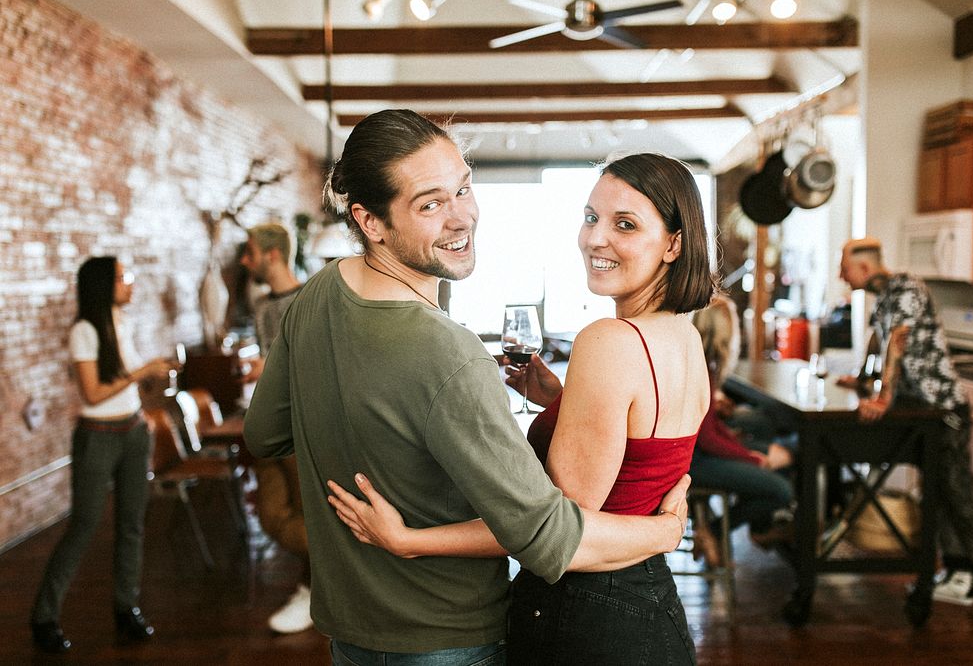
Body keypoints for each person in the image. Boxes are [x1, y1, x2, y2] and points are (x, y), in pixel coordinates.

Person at [243, 110, 696, 666]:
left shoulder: (316, 293)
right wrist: (665, 534)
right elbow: (547, 532)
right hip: (448, 634)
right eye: (430, 204)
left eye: (462, 189)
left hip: (349, 628)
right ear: (371, 221)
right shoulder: (451, 353)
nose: (462, 218)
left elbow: (264, 434)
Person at [836, 237, 973, 605]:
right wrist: (864, 377)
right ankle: (956, 569)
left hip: (944, 407)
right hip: (923, 410)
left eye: (844, 268)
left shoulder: (907, 287)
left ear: (864, 268)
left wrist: (883, 396)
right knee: (937, 491)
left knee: (958, 491)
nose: (841, 276)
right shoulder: (885, 296)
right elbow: (879, 336)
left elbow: (898, 338)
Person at [29, 257, 175, 653]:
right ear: (102, 284)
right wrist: (142, 371)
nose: (130, 283)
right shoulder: (84, 330)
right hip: (98, 436)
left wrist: (144, 385)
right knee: (85, 525)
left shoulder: (121, 322)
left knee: (132, 524)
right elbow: (92, 393)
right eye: (123, 277)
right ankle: (44, 616)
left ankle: (126, 609)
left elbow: (121, 381)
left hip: (133, 431)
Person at [239, 222, 311, 634]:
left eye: (250, 252)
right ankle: (336, 572)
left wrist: (269, 368)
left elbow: (314, 363)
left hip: (304, 427)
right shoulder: (263, 306)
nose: (245, 261)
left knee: (306, 511)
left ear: (272, 254)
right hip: (270, 426)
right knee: (271, 515)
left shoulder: (309, 299)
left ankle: (312, 588)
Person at [688, 295, 795, 566]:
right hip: (695, 462)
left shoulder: (703, 361)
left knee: (779, 449)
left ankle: (757, 527)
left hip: (699, 452)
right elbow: (708, 438)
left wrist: (746, 450)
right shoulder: (699, 367)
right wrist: (750, 457)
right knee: (781, 489)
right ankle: (713, 531)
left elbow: (711, 427)